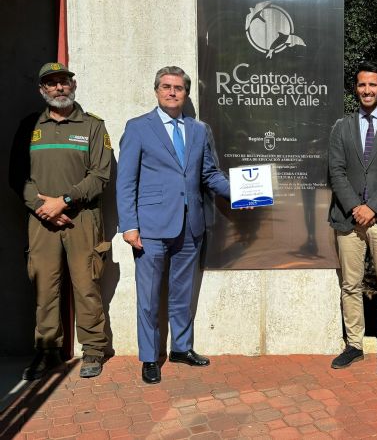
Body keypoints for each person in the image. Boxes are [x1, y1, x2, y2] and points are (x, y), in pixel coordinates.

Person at [116, 66, 231, 385]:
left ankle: (181, 348)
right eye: (166, 86)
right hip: (150, 228)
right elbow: (126, 181)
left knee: (182, 293)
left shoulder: (199, 130)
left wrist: (243, 193)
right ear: (156, 90)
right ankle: (150, 357)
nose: (171, 92)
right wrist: (129, 225)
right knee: (149, 296)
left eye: (178, 88)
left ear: (186, 93)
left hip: (190, 225)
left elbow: (209, 174)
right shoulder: (138, 128)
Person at [10, 62, 111, 379]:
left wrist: (65, 202)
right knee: (45, 288)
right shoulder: (29, 126)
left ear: (73, 85)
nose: (58, 87)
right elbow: (17, 175)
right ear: (42, 90)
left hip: (82, 218)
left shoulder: (93, 126)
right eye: (51, 83)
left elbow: (101, 175)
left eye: (64, 82)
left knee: (86, 286)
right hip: (41, 220)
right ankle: (48, 351)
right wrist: (41, 207)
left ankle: (93, 350)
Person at [328, 61, 377, 377]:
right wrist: (353, 207)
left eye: (372, 85)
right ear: (355, 88)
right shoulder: (342, 127)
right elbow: (335, 170)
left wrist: (372, 207)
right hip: (348, 219)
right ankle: (354, 344)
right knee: (350, 284)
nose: (367, 90)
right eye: (362, 85)